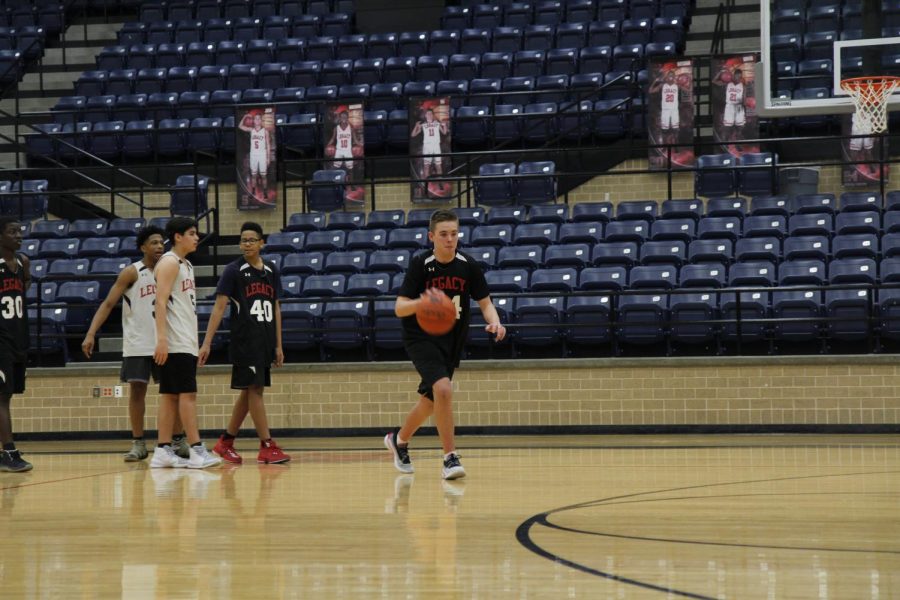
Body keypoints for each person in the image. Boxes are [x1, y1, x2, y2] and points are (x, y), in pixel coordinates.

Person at [384, 210, 506, 480]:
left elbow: (485, 303)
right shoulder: (420, 264)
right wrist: (423, 303)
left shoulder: (468, 265)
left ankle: (399, 440)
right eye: (443, 234)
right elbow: (399, 308)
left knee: (431, 401)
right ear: (432, 236)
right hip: (420, 337)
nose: (450, 239)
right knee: (443, 388)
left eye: (454, 233)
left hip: (452, 340)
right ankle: (450, 457)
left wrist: (495, 323)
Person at [81, 226, 190, 462]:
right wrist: (91, 333)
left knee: (173, 392)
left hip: (166, 342)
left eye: (162, 242)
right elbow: (108, 304)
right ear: (143, 247)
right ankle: (138, 442)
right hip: (138, 343)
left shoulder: (171, 269)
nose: (160, 246)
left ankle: (178, 439)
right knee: (137, 391)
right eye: (154, 242)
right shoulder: (132, 272)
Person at [198, 222, 290, 465]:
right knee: (255, 390)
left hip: (266, 340)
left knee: (248, 392)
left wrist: (279, 345)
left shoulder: (271, 269)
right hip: (245, 340)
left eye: (251, 240)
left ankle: (225, 442)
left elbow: (276, 307)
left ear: (262, 243)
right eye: (243, 240)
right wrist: (206, 343)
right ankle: (267, 445)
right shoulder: (233, 270)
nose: (246, 244)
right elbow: (219, 308)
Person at [150, 217, 221, 469]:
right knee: (187, 395)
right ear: (178, 236)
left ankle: (162, 450)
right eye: (191, 233)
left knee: (170, 395)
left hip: (184, 339)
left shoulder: (186, 264)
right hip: (174, 340)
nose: (196, 237)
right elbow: (159, 302)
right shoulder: (169, 262)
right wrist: (161, 340)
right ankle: (197, 449)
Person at [0, 218, 31, 472]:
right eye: (12, 232)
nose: (19, 236)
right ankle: (9, 452)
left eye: (19, 231)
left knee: (7, 395)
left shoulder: (22, 262)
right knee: (1, 397)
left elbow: (26, 285)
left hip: (17, 336)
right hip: (0, 340)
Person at [410, 109, 448, 198]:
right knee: (426, 167)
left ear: (433, 115)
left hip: (436, 146)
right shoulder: (423, 125)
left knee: (439, 166)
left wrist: (445, 125)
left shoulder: (437, 123)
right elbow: (413, 135)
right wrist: (416, 126)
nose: (429, 115)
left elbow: (444, 132)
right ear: (425, 116)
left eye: (431, 114)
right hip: (427, 147)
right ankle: (426, 186)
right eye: (428, 114)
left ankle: (440, 183)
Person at [238, 111, 273, 204]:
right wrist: (245, 116)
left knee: (263, 175)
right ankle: (253, 191)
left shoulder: (265, 131)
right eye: (255, 118)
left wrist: (268, 158)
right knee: (253, 175)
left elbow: (268, 145)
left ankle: (265, 191)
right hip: (253, 155)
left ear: (261, 121)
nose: (257, 120)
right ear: (254, 121)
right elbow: (240, 126)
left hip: (262, 154)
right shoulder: (251, 130)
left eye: (259, 118)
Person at [714, 67, 747, 144]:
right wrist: (720, 72)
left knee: (740, 127)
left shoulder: (743, 86)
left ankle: (737, 142)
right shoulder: (727, 84)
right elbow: (714, 81)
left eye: (740, 76)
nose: (738, 78)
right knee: (727, 127)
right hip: (729, 107)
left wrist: (744, 107)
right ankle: (725, 142)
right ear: (733, 76)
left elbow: (744, 100)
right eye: (737, 76)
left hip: (739, 107)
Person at [649, 70, 680, 149]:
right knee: (664, 130)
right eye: (669, 75)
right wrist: (655, 82)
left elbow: (689, 90)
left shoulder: (677, 85)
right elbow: (650, 91)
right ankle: (665, 146)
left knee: (675, 129)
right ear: (666, 77)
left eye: (672, 75)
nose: (670, 77)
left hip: (674, 110)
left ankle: (676, 147)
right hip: (665, 110)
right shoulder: (662, 86)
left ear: (674, 77)